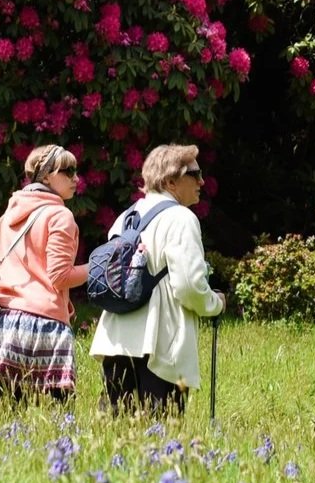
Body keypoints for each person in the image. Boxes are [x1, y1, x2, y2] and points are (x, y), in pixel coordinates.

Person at [90, 143, 225, 414]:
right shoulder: (181, 218)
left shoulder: (125, 217)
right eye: (194, 174)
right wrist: (215, 304)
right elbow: (189, 286)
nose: (202, 181)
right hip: (160, 345)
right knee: (160, 432)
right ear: (170, 181)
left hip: (115, 341)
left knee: (117, 431)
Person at [0, 145, 88, 403]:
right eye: (68, 171)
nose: (76, 178)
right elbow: (60, 277)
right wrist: (96, 268)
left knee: (11, 416)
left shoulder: (8, 216)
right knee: (58, 418)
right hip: (45, 327)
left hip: (6, 323)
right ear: (46, 176)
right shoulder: (60, 215)